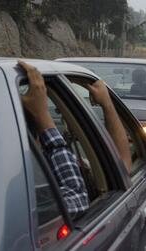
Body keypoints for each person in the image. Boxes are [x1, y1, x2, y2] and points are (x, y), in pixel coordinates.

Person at [19, 60, 132, 215]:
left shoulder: (8, 182)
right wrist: (108, 105)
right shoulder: (43, 184)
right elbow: (121, 167)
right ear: (35, 138)